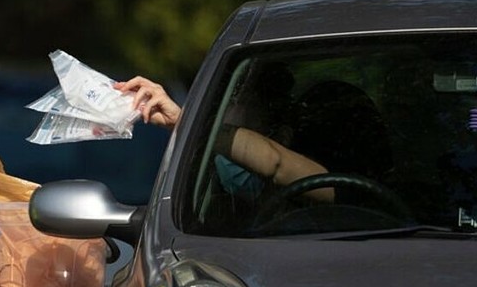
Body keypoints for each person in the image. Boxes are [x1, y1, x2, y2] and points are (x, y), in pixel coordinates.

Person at [114, 73, 331, 199]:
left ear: (281, 137)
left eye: (238, 100)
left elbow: (275, 162)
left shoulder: (331, 197)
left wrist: (183, 121)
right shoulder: (199, 195)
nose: (226, 112)